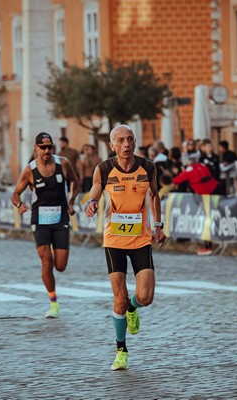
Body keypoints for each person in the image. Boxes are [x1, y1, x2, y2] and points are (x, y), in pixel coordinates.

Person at [85, 124, 166, 371]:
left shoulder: (148, 167)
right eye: (120, 141)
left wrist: (158, 225)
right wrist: (91, 202)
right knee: (118, 298)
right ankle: (121, 350)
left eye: (130, 139)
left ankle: (134, 307)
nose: (126, 144)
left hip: (141, 239)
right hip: (114, 241)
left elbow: (154, 194)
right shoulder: (104, 169)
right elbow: (96, 190)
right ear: (112, 146)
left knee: (145, 297)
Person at [11, 132, 79, 318]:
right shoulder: (29, 170)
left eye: (50, 147)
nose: (46, 150)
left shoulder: (63, 163)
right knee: (46, 261)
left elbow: (75, 182)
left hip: (61, 219)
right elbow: (15, 194)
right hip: (39, 220)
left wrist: (71, 202)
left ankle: (54, 299)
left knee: (61, 265)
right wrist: (20, 205)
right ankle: (53, 303)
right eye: (43, 147)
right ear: (36, 148)